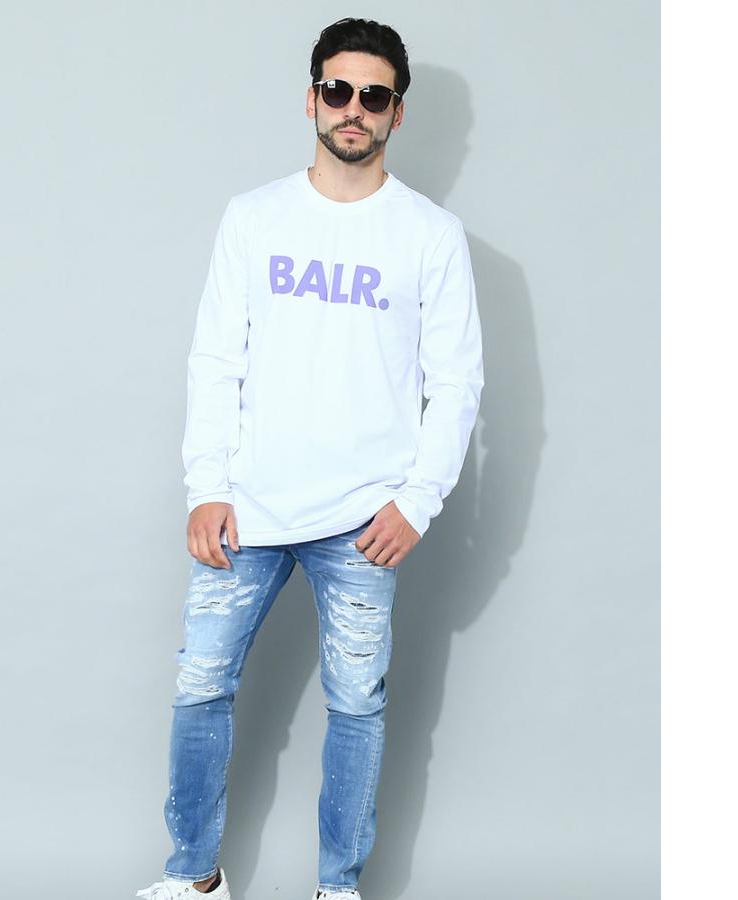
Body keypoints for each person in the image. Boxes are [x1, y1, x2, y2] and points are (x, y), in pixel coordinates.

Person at [136, 16, 484, 900]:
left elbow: (457, 385)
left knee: (357, 704)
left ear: (397, 113)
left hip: (365, 517)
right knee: (201, 686)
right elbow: (215, 359)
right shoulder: (253, 217)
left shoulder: (430, 234)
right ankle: (194, 877)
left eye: (374, 95)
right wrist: (206, 486)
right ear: (311, 99)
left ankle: (337, 887)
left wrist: (417, 502)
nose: (353, 108)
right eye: (338, 90)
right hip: (247, 506)